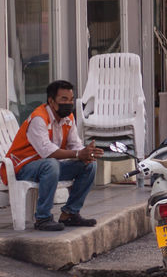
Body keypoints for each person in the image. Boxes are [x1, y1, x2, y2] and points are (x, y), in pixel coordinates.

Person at [6, 80, 102, 232]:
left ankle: (69, 214)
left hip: (49, 168)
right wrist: (78, 154)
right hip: (23, 168)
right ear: (51, 101)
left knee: (89, 165)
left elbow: (74, 144)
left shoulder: (68, 117)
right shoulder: (39, 118)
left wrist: (86, 153)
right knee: (51, 163)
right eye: (63, 99)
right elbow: (47, 152)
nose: (68, 103)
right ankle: (43, 218)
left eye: (70, 99)